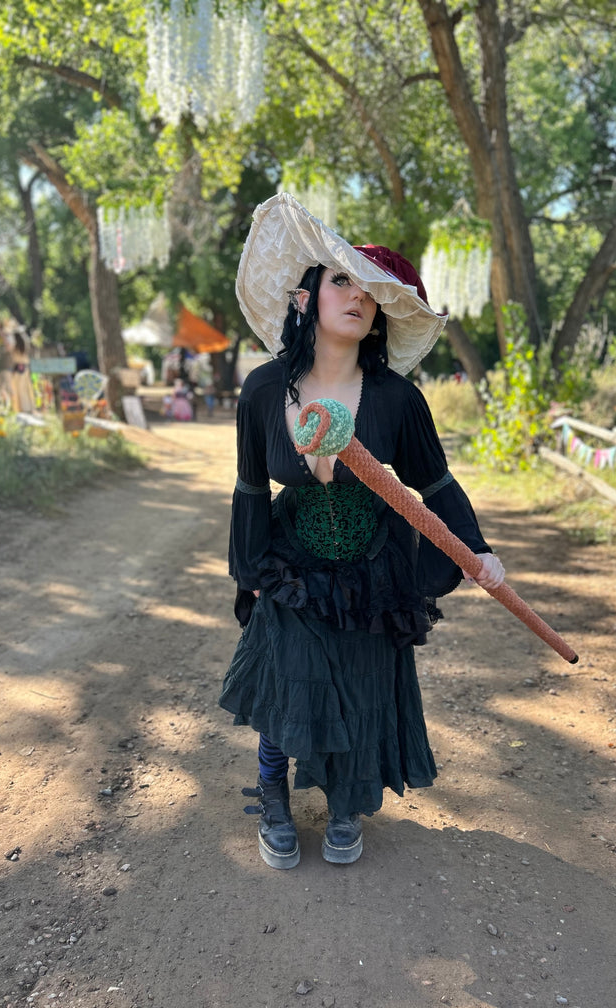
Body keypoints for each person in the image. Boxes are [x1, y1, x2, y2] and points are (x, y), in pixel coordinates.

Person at [220, 193, 504, 870]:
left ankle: (346, 800)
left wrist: (477, 549)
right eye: (341, 280)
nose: (357, 298)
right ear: (304, 297)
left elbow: (434, 485)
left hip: (375, 562)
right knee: (290, 677)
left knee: (359, 679)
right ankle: (272, 791)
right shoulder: (263, 392)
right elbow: (251, 491)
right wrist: (251, 574)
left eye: (371, 293)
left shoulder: (397, 400)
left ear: (380, 317)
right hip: (291, 556)